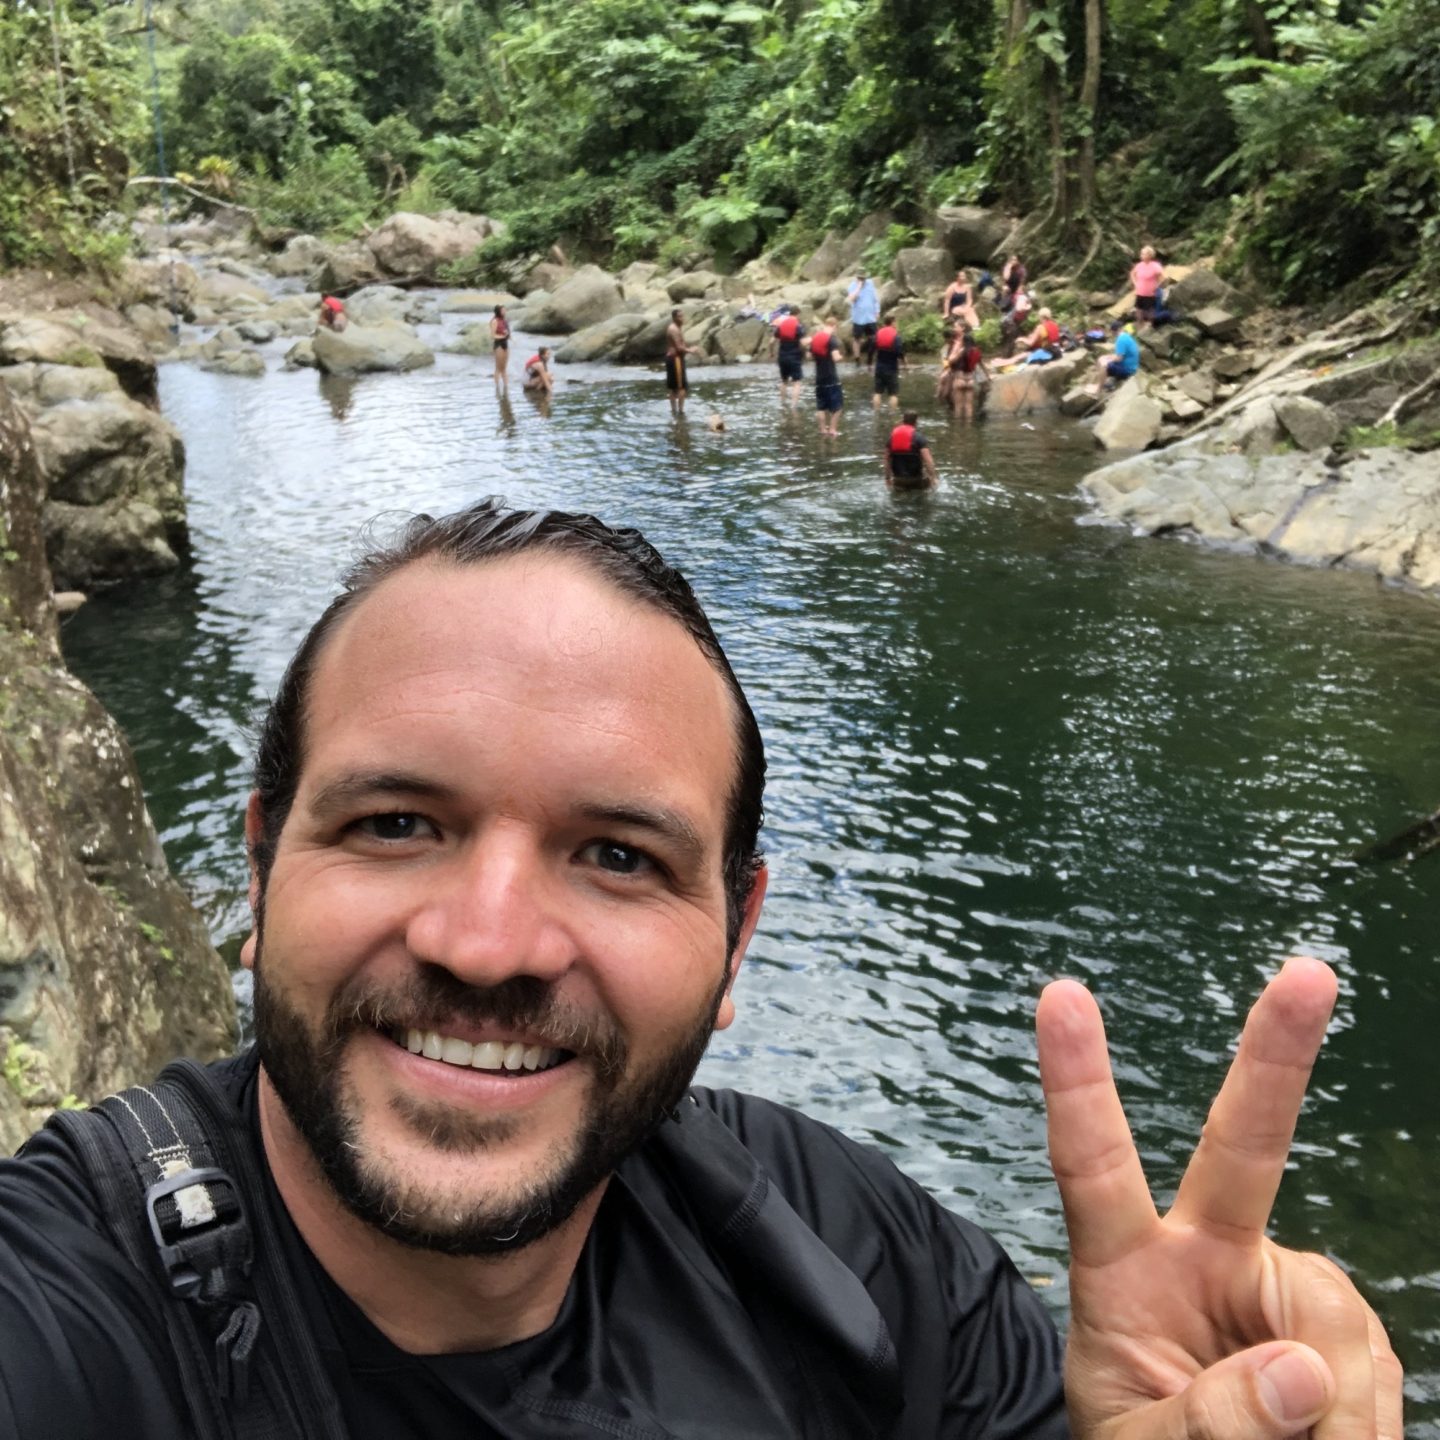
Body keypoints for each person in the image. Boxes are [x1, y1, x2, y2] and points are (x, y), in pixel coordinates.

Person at [0, 503, 1402, 1438]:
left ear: (736, 937)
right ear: (258, 872)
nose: (486, 945)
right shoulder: (73, 1314)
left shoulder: (859, 1269)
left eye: (615, 856)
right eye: (397, 825)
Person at [994, 307, 1062, 370]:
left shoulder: (1040, 327)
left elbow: (1030, 343)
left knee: (1025, 353)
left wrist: (1021, 339)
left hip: (1047, 352)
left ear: (1040, 316)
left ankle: (1007, 361)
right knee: (1028, 352)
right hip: (1056, 350)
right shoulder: (1054, 324)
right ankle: (1007, 360)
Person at [884, 410, 937, 490]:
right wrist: (933, 478)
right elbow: (928, 461)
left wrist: (887, 478)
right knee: (930, 484)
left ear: (903, 420)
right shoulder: (919, 438)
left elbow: (887, 460)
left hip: (899, 481)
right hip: (917, 481)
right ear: (916, 422)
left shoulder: (891, 439)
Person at [810, 316, 844, 436]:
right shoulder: (831, 340)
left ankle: (823, 430)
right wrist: (840, 357)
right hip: (831, 377)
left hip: (819, 378)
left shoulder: (815, 338)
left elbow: (809, 356)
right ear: (834, 326)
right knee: (838, 407)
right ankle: (833, 430)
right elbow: (835, 358)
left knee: (821, 407)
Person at [665, 307, 702, 415]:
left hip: (673, 358)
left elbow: (680, 345)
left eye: (683, 316)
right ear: (674, 318)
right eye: (680, 316)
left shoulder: (675, 327)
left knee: (673, 387)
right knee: (681, 387)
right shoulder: (674, 329)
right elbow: (679, 348)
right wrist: (691, 350)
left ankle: (674, 411)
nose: (682, 318)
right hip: (675, 358)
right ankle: (680, 412)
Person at [768, 306, 806, 407]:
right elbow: (802, 343)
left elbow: (771, 342)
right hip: (794, 357)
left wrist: (771, 353)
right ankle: (793, 406)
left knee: (784, 381)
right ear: (797, 314)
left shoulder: (781, 325)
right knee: (796, 383)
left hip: (782, 357)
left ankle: (782, 403)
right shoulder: (798, 326)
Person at [1092, 321, 1141, 393]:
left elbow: (1119, 358)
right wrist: (1108, 357)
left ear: (1113, 331)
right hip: (1131, 366)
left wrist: (1108, 360)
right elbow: (1120, 355)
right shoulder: (1126, 336)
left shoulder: (1121, 339)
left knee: (1104, 365)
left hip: (1128, 370)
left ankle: (1099, 388)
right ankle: (1103, 382)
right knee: (1102, 358)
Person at [871, 317, 907, 410]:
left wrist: (869, 363)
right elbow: (900, 352)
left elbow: (871, 350)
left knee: (877, 392)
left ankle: (876, 412)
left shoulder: (878, 334)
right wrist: (905, 363)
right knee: (893, 394)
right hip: (891, 368)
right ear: (893, 323)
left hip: (879, 367)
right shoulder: (896, 336)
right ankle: (893, 413)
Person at [846, 269, 880, 364]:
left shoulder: (870, 284)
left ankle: (871, 357)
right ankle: (857, 358)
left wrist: (877, 311)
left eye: (863, 278)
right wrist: (858, 287)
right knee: (857, 339)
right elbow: (851, 299)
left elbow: (875, 298)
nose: (862, 280)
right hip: (858, 318)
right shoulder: (852, 286)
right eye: (860, 278)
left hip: (870, 317)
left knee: (873, 337)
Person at [1131, 245, 1166, 326]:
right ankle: (1139, 325)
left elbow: (1163, 277)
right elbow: (1132, 274)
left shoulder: (1155, 266)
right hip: (1140, 292)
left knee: (1150, 311)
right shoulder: (1139, 265)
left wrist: (1157, 286)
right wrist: (1135, 283)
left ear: (1149, 255)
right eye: (1141, 254)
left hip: (1150, 293)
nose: (1141, 255)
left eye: (1143, 254)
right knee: (1139, 309)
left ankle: (1150, 327)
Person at [489, 304, 510, 386]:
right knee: (498, 368)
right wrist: (502, 336)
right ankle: (497, 387)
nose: (505, 311)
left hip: (505, 344)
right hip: (498, 345)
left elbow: (507, 332)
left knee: (504, 368)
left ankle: (506, 387)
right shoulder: (494, 321)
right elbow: (492, 335)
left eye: (505, 310)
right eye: (503, 310)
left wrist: (508, 335)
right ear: (498, 312)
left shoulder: (505, 321)